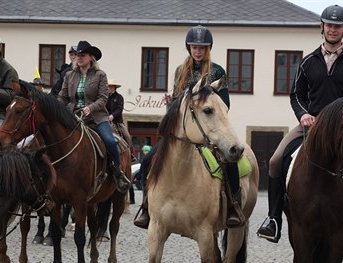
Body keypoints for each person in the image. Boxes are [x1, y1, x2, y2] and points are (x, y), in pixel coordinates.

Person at [256, 5, 343, 250]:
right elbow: (296, 94)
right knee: (275, 159)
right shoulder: (308, 62)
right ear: (322, 27)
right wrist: (302, 115)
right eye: (329, 25)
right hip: (312, 126)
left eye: (338, 26)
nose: (333, 30)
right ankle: (273, 219)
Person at [134, 26, 241, 229]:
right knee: (148, 159)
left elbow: (224, 104)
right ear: (189, 48)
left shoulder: (218, 71)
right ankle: (147, 206)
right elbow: (176, 101)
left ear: (208, 48)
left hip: (209, 127)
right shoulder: (181, 71)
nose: (197, 51)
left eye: (202, 47)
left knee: (230, 159)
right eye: (194, 47)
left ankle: (234, 207)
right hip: (182, 130)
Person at [58, 40, 131, 193]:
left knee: (110, 141)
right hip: (73, 117)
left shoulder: (100, 75)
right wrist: (56, 109)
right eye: (77, 55)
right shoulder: (69, 76)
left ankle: (118, 173)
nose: (79, 58)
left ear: (91, 57)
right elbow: (62, 97)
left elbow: (103, 98)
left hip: (97, 117)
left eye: (82, 55)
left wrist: (90, 108)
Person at [106, 79, 136, 160]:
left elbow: (119, 109)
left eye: (111, 86)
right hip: (105, 121)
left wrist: (112, 116)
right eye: (108, 86)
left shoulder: (119, 97)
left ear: (115, 87)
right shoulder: (104, 97)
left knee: (127, 136)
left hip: (117, 122)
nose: (109, 88)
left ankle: (131, 155)